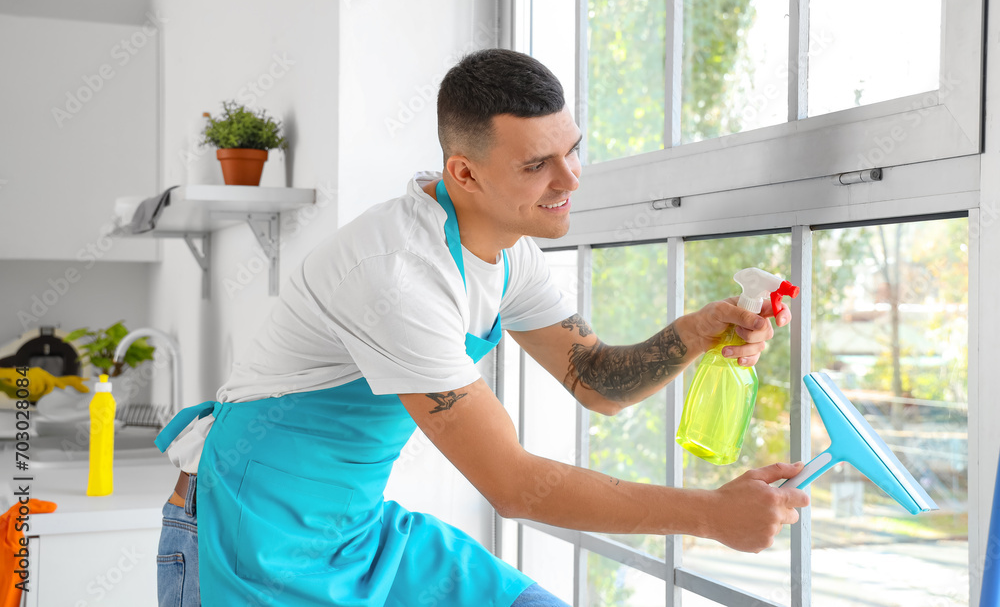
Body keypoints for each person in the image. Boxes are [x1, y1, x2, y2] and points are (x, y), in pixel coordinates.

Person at [154, 48, 810, 607]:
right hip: (248, 538)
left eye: (572, 150)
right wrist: (709, 514)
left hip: (355, 531)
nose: (570, 178)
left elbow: (599, 381)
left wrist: (699, 331)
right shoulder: (399, 274)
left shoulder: (507, 251)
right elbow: (515, 485)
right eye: (537, 165)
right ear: (464, 172)